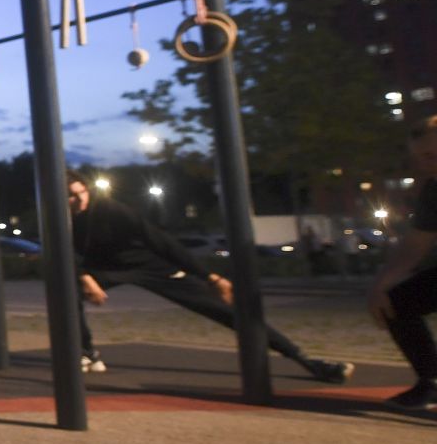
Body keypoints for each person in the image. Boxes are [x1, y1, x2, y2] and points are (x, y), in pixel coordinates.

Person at [66, 173, 352, 383]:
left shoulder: (112, 210)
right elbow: (61, 257)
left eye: (81, 192)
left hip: (154, 266)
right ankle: (87, 353)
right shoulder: (59, 218)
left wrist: (210, 277)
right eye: (70, 195)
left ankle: (308, 361)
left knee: (226, 311)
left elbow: (162, 242)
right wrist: (83, 277)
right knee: (66, 292)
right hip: (107, 270)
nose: (78, 200)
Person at [368, 116, 437, 410]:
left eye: (432, 155)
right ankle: (432, 382)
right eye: (421, 158)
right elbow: (416, 243)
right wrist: (381, 285)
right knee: (396, 302)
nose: (426, 164)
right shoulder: (434, 190)